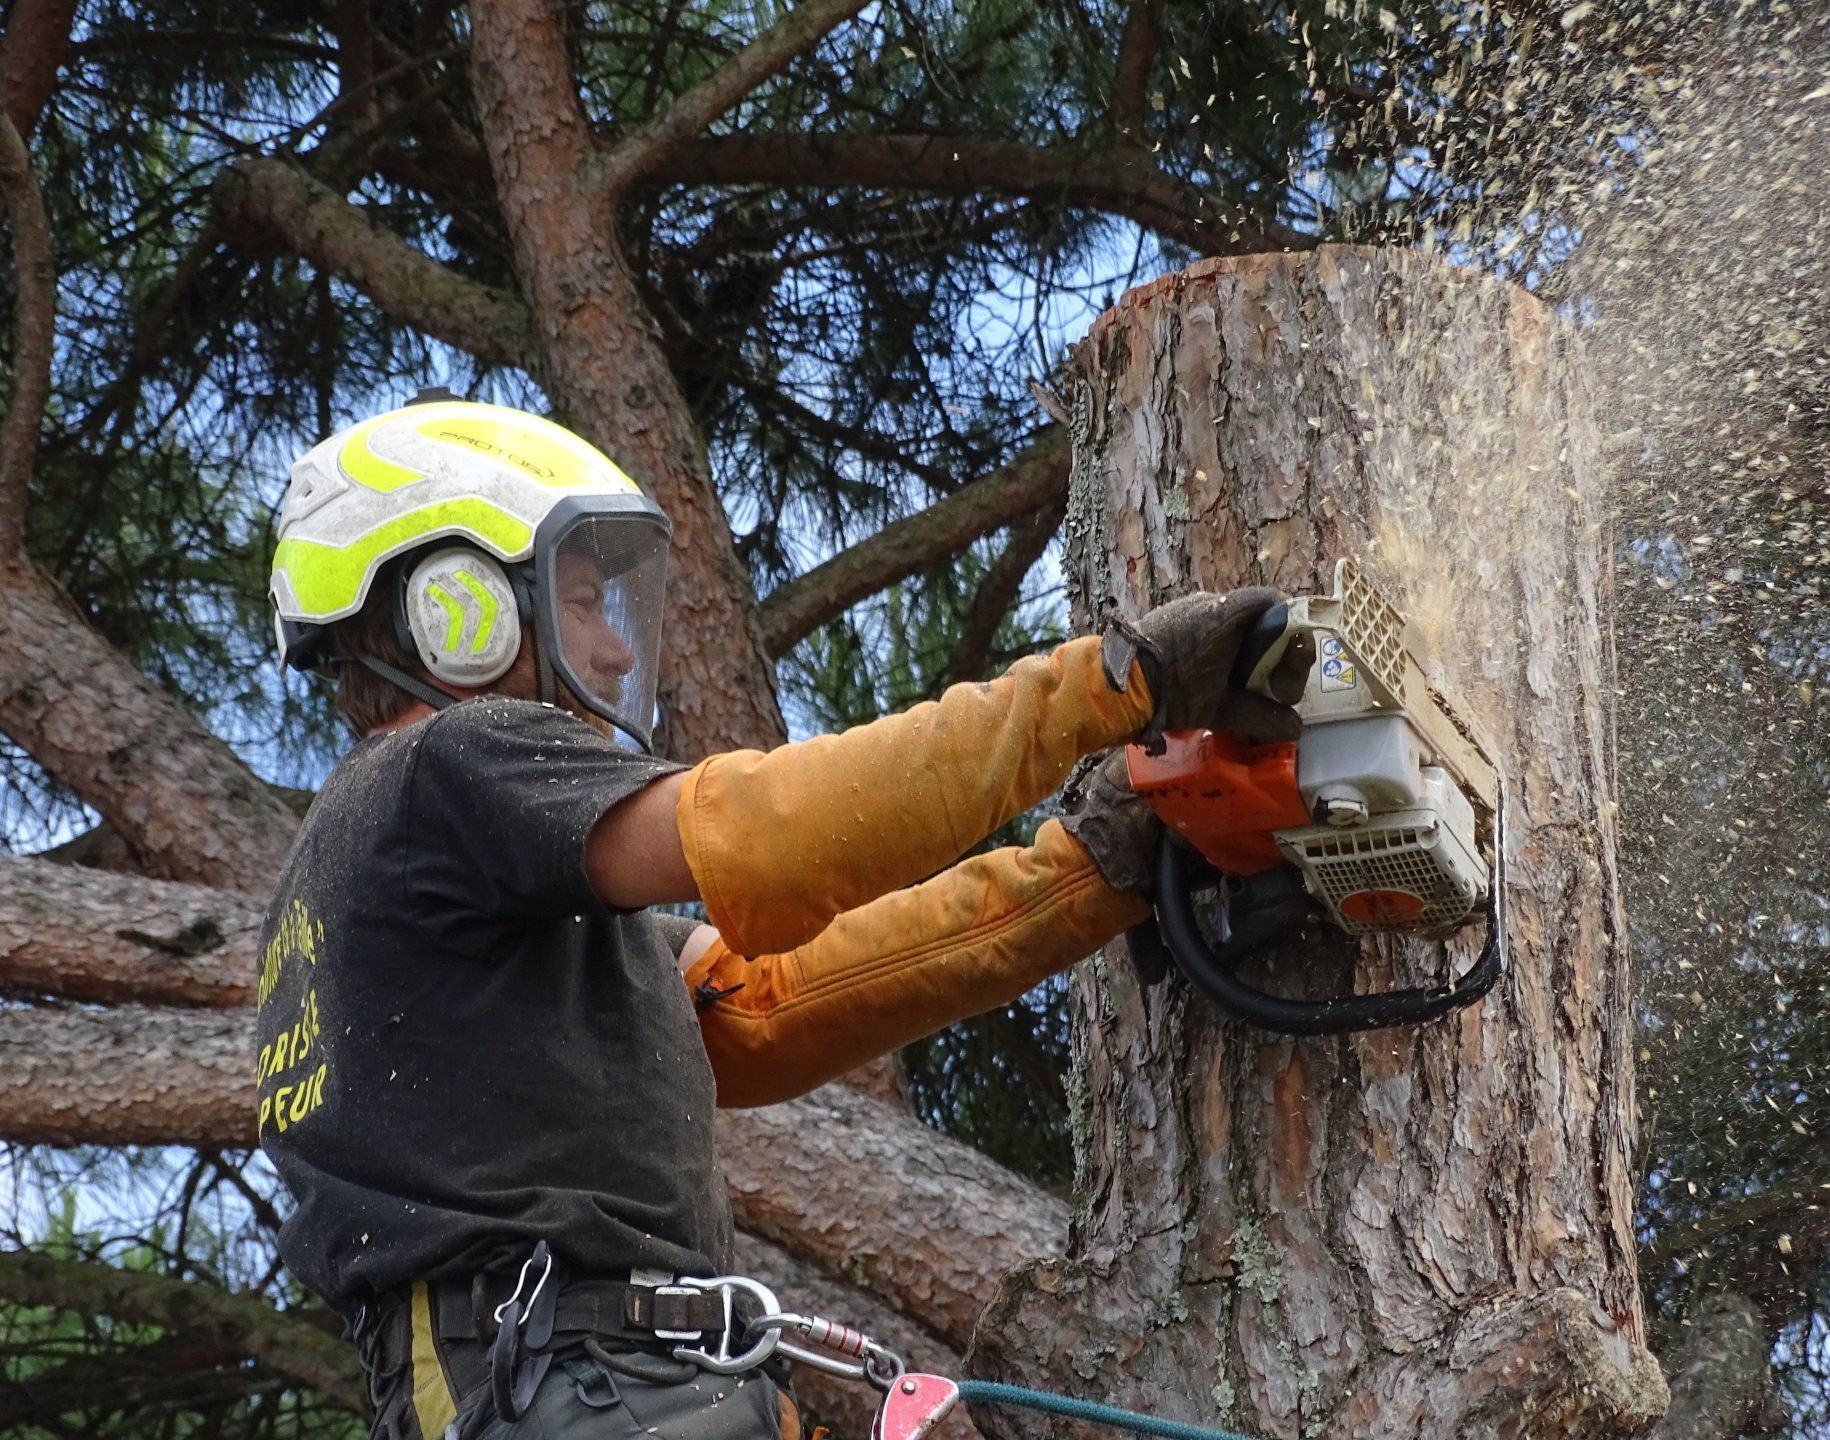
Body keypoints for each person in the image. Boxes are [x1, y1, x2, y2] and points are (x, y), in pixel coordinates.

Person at [255, 393, 1298, 1440]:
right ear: (457, 608)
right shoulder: (441, 765)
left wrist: (1088, 870)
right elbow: (758, 839)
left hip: (596, 1379)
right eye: (579, 601)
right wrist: (1109, 686)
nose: (615, 652)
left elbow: (762, 1010)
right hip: (562, 1384)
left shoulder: (423, 875)